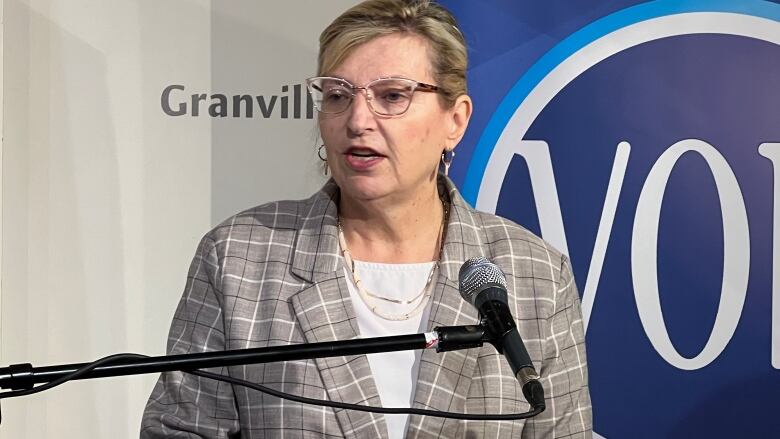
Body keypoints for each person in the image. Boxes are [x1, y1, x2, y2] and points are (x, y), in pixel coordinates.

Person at [141, 0, 592, 437]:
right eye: (338, 95)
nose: (357, 119)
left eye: (392, 95)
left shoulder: (534, 274)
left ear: (454, 120)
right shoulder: (240, 259)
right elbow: (180, 431)